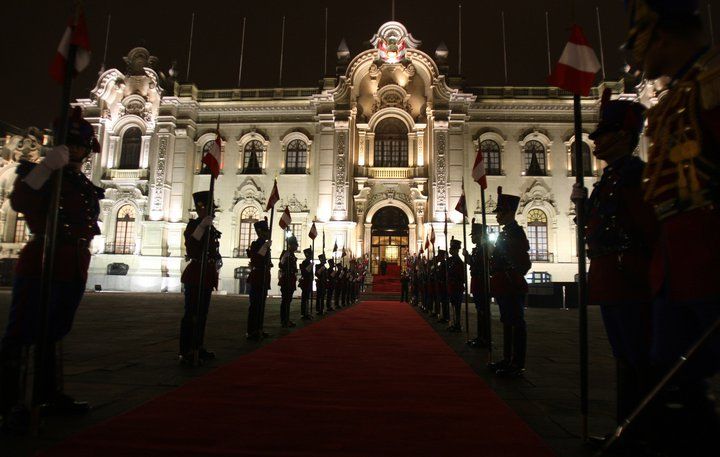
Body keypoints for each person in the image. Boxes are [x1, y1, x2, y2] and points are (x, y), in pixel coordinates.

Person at [625, 1, 720, 451]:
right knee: (669, 373)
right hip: (676, 258)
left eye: (640, 36)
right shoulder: (671, 100)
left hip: (709, 251)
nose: (635, 50)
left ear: (661, 34)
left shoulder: (712, 83)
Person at [0, 107, 102, 432]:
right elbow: (19, 202)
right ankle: (8, 403)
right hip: (43, 259)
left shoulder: (81, 183)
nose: (76, 151)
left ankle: (48, 394)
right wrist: (45, 168)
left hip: (72, 264)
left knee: (53, 332)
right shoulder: (42, 173)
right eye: (71, 145)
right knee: (20, 333)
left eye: (81, 146)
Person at [572, 89, 658, 437]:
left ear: (622, 136)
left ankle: (643, 430)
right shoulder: (609, 179)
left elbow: (648, 228)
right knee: (623, 354)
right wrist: (582, 208)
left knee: (638, 355)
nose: (595, 141)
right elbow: (596, 224)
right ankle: (628, 426)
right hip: (611, 278)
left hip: (630, 276)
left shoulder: (635, 175)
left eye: (602, 134)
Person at [488, 187, 531, 377]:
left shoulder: (515, 233)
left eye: (501, 212)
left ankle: (517, 362)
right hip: (503, 283)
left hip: (511, 283)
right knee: (507, 321)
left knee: (516, 322)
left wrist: (510, 273)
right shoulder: (505, 233)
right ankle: (507, 358)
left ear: (510, 213)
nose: (498, 216)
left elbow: (522, 261)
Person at [179, 191, 221, 365]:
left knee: (202, 314)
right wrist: (201, 227)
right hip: (196, 273)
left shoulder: (211, 229)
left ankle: (198, 346)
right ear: (201, 209)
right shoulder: (194, 225)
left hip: (207, 274)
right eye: (210, 209)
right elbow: (191, 246)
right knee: (191, 314)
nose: (213, 213)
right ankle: (186, 350)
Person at [246, 219, 272, 341]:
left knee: (261, 305)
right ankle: (251, 330)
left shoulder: (265, 244)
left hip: (263, 276)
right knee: (255, 305)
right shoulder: (256, 244)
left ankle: (259, 328)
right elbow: (256, 259)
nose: (268, 233)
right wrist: (265, 247)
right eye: (266, 231)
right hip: (257, 276)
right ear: (260, 232)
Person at [466, 221, 489, 347]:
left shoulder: (483, 249)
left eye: (474, 235)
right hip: (477, 282)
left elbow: (479, 265)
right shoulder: (478, 249)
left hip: (481, 282)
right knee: (479, 310)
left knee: (483, 311)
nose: (472, 238)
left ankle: (484, 337)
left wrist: (468, 258)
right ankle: (481, 336)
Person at [278, 235, 298, 328]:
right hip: (286, 279)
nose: (296, 247)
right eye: (295, 245)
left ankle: (287, 319)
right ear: (290, 245)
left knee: (288, 300)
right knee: (285, 300)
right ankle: (284, 320)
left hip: (291, 279)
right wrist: (284, 258)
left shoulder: (293, 255)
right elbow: (281, 265)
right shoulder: (285, 253)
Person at [447, 239, 466, 332]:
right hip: (452, 286)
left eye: (452, 249)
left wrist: (453, 280)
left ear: (456, 250)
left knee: (457, 307)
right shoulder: (452, 261)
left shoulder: (458, 261)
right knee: (454, 305)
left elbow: (461, 276)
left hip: (457, 287)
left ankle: (457, 324)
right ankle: (455, 323)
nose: (450, 250)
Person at [298, 248, 314, 320]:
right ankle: (304, 313)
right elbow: (304, 272)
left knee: (307, 298)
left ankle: (306, 313)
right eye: (310, 254)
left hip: (309, 281)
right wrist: (310, 266)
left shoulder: (308, 262)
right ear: (307, 255)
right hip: (306, 282)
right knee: (304, 298)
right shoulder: (305, 262)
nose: (312, 255)